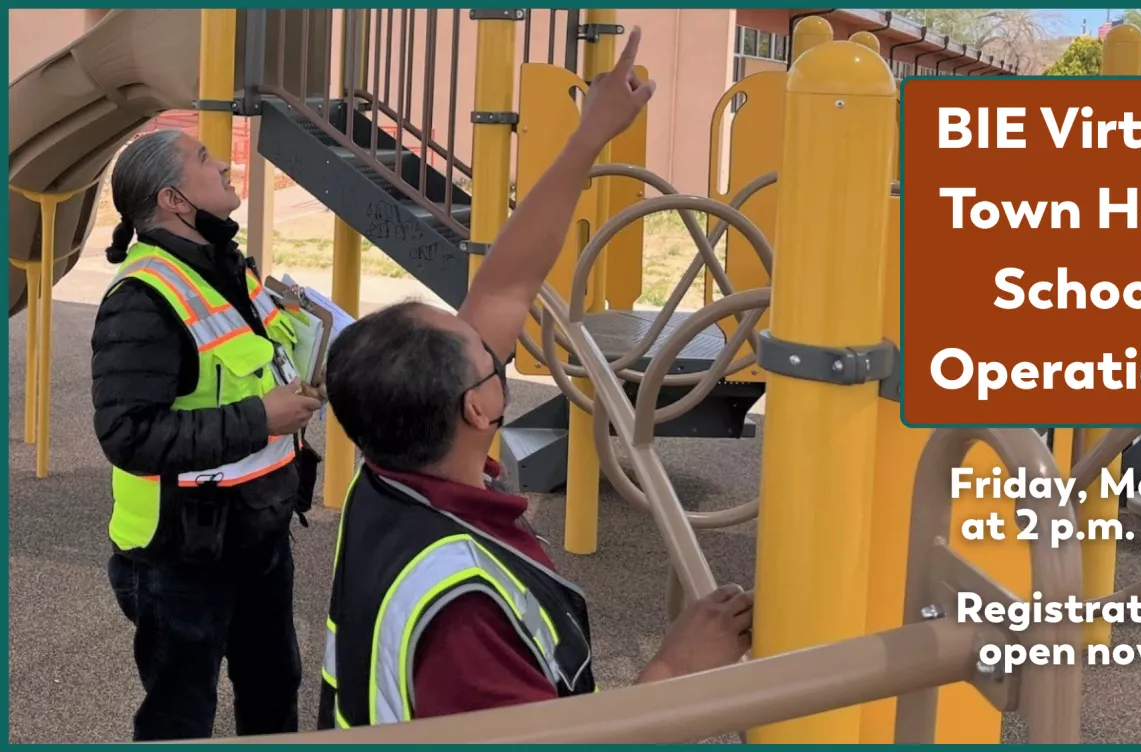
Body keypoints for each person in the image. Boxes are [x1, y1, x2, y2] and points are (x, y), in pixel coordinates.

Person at [316, 27, 754, 729]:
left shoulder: (391, 481)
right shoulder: (462, 612)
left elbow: (507, 286)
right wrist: (675, 667)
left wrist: (592, 134)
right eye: (492, 356)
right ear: (480, 408)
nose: (497, 338)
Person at [91, 128, 325, 740]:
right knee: (179, 717)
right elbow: (128, 436)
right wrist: (261, 419)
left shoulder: (230, 267)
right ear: (173, 199)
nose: (222, 163)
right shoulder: (142, 297)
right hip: (179, 555)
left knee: (274, 691)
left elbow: (253, 369)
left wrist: (303, 382)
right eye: (203, 159)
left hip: (258, 534)